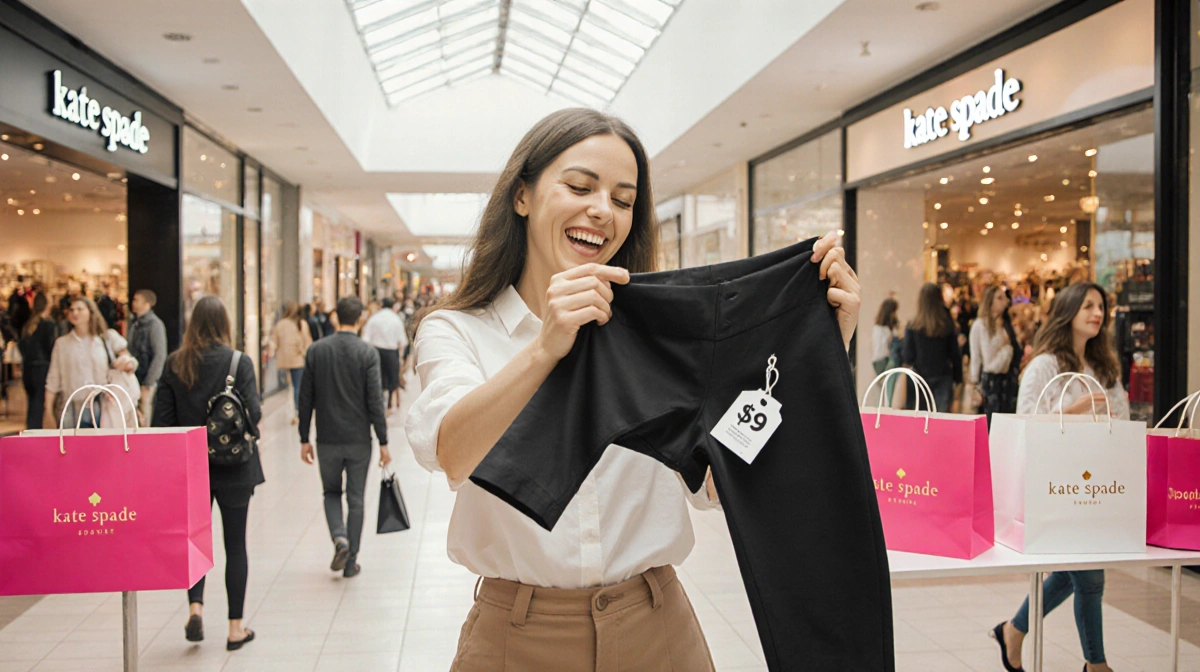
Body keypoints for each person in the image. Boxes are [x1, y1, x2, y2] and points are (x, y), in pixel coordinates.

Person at [405, 108, 860, 669]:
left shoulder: (662, 336)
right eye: (579, 186)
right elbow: (452, 452)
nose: (601, 210)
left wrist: (813, 354)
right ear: (521, 195)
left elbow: (719, 484)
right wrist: (546, 348)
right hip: (518, 639)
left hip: (658, 627)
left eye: (623, 200)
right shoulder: (458, 330)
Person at [991, 282, 1127, 672]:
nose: (1096, 313)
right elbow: (1024, 423)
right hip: (1052, 487)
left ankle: (1013, 631)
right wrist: (1077, 407)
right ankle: (1096, 665)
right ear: (1068, 311)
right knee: (1089, 575)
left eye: (1100, 306)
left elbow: (1121, 419)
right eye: (1087, 305)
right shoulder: (1044, 365)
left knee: (1074, 573)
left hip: (1096, 484)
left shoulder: (1105, 368)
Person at [153, 296, 261, 651]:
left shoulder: (175, 364)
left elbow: (161, 424)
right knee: (236, 546)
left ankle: (196, 608)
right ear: (224, 323)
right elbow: (255, 415)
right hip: (235, 467)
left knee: (195, 541)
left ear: (192, 324)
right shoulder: (239, 362)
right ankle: (235, 629)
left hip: (191, 468)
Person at [299, 297, 390, 579]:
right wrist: (384, 441)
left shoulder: (316, 351)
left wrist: (304, 437)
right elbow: (375, 401)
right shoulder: (367, 353)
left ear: (335, 317)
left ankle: (339, 538)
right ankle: (351, 561)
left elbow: (305, 399)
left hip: (326, 438)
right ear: (361, 318)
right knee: (356, 499)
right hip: (359, 439)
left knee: (330, 492)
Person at [45, 297, 137, 428]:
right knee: (73, 447)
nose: (75, 313)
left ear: (90, 312)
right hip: (72, 406)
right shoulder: (62, 343)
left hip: (103, 405)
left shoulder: (107, 337)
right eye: (72, 310)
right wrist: (48, 409)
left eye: (80, 309)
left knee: (103, 446)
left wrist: (125, 364)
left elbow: (128, 359)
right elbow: (53, 377)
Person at [902, 282, 961, 413]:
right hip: (943, 377)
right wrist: (958, 378)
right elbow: (954, 353)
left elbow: (908, 356)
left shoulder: (913, 325)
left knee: (922, 421)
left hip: (920, 378)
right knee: (941, 421)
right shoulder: (946, 323)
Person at [969, 285, 1017, 422]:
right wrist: (975, 383)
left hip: (1007, 380)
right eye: (999, 298)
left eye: (1004, 298)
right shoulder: (980, 325)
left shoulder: (1005, 325)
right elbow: (977, 357)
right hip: (990, 381)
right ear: (989, 301)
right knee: (989, 423)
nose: (1004, 301)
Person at [127, 289, 168, 426]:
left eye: (137, 300)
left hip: (147, 378)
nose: (133, 303)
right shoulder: (134, 324)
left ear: (147, 303)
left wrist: (150, 381)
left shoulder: (155, 324)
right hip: (134, 377)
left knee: (145, 414)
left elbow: (159, 354)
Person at [361, 297, 407, 410]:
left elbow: (365, 338)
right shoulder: (396, 319)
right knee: (392, 378)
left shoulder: (374, 318)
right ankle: (391, 402)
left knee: (378, 377)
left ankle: (379, 400)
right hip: (391, 352)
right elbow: (403, 341)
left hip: (376, 351)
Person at [269, 302, 312, 424]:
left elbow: (275, 342)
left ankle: (295, 410)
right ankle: (298, 411)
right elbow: (307, 342)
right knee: (298, 386)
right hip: (298, 360)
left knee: (291, 386)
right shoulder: (301, 324)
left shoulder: (280, 324)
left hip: (284, 360)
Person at [18, 293, 55, 429]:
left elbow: (21, 345)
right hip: (41, 369)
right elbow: (50, 347)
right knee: (38, 405)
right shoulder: (47, 324)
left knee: (32, 404)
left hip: (28, 368)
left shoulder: (29, 324)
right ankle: (35, 434)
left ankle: (31, 431)